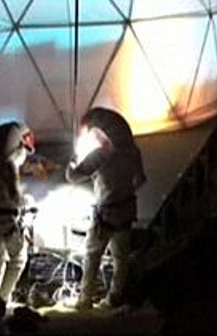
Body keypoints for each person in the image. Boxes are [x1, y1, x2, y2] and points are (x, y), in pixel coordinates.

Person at [64, 107, 145, 310]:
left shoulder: (102, 154)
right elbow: (140, 180)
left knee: (92, 256)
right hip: (126, 210)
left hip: (106, 214)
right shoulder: (133, 151)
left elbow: (73, 177)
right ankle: (114, 299)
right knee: (121, 258)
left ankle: (85, 300)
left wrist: (73, 162)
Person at [0, 120, 37, 304]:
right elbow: (16, 198)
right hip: (9, 220)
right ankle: (3, 298)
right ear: (19, 147)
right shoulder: (9, 166)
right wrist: (29, 201)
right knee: (19, 259)